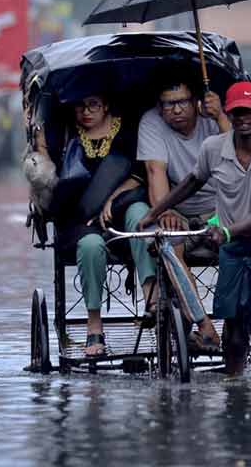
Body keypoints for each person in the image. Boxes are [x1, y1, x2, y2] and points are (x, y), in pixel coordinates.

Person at [138, 82, 251, 375]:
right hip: (235, 250)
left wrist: (226, 232)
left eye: (248, 112)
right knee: (234, 335)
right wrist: (155, 211)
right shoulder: (213, 148)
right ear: (228, 115)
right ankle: (234, 390)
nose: (242, 119)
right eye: (235, 113)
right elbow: (191, 182)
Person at [113, 73, 229, 351]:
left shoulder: (214, 118)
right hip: (178, 211)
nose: (176, 110)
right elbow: (156, 171)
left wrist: (221, 117)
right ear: (159, 106)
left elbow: (238, 155)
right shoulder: (152, 122)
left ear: (197, 102)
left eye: (183, 102)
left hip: (219, 211)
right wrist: (165, 210)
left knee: (241, 249)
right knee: (167, 245)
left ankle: (236, 320)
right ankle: (205, 327)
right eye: (168, 104)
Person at [43, 93, 155, 357]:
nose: (86, 111)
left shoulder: (128, 132)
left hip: (122, 210)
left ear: (106, 105)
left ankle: (152, 297)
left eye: (93, 104)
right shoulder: (65, 136)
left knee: (141, 214)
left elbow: (141, 176)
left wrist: (113, 200)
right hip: (80, 220)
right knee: (91, 245)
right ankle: (94, 322)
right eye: (80, 105)